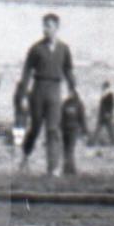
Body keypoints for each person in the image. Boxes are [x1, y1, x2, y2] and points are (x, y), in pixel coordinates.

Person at [16, 13, 77, 177]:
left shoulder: (64, 49)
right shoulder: (36, 49)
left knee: (53, 129)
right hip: (38, 89)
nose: (46, 29)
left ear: (57, 28)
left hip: (55, 89)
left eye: (49, 26)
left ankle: (53, 168)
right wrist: (23, 95)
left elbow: (68, 70)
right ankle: (25, 155)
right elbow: (26, 72)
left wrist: (72, 88)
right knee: (35, 127)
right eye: (44, 26)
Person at [58, 88, 86, 176]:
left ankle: (69, 169)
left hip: (72, 129)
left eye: (71, 93)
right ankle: (69, 169)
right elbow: (61, 116)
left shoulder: (74, 104)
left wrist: (84, 130)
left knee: (69, 149)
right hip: (67, 129)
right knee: (67, 149)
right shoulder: (68, 103)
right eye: (69, 93)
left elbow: (81, 118)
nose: (69, 94)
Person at [89, 82, 114, 150]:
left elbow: (111, 106)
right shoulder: (103, 95)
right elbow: (102, 106)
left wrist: (109, 113)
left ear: (107, 88)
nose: (104, 89)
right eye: (104, 87)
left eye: (105, 87)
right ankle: (93, 142)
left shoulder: (110, 95)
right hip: (102, 115)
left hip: (107, 116)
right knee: (98, 129)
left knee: (110, 129)